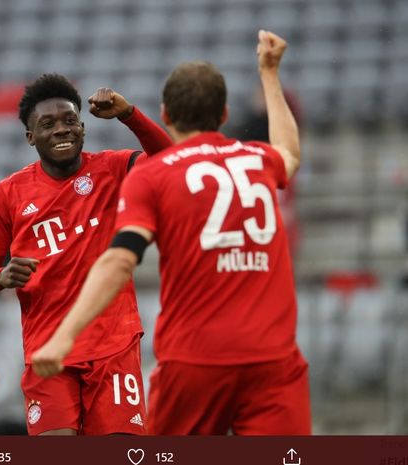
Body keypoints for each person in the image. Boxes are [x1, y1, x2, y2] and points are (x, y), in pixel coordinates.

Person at [32, 31, 312, 435]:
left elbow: (118, 260)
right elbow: (290, 151)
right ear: (223, 114)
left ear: (165, 114)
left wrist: (64, 336)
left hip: (194, 362)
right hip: (273, 360)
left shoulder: (153, 175)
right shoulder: (258, 160)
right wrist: (269, 72)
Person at [0, 73, 172, 435]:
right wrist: (1, 277)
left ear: (83, 127)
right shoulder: (6, 195)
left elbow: (171, 161)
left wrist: (129, 115)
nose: (61, 130)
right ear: (30, 137)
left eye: (69, 121)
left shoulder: (114, 168)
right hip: (49, 355)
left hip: (114, 346)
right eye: (47, 124)